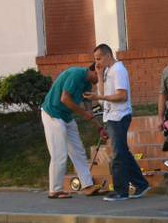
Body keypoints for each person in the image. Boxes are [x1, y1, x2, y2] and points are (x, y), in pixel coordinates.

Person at [85, 44, 150, 202]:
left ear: (108, 55)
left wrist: (99, 97)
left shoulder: (118, 70)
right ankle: (141, 184)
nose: (97, 62)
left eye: (99, 59)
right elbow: (102, 97)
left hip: (119, 116)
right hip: (111, 116)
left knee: (117, 155)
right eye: (95, 59)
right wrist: (99, 75)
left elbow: (122, 96)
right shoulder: (108, 70)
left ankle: (121, 191)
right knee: (122, 152)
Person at [41, 63, 106, 199]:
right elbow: (65, 99)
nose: (102, 80)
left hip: (66, 116)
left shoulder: (87, 83)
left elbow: (88, 105)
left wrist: (99, 127)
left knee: (78, 151)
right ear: (94, 70)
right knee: (59, 153)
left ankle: (87, 186)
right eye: (101, 76)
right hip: (52, 114)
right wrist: (84, 113)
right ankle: (55, 190)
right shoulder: (76, 74)